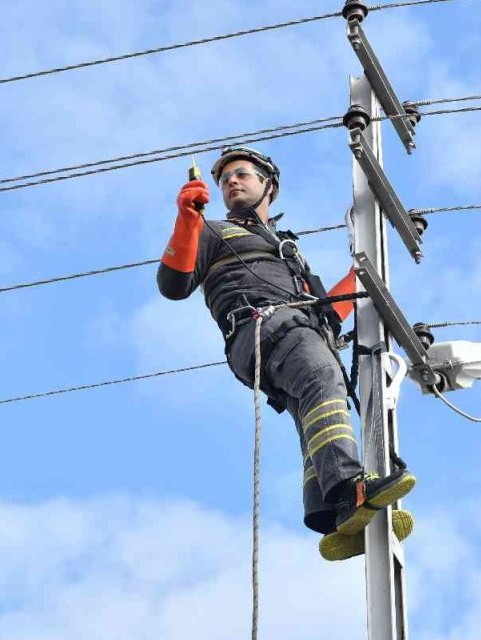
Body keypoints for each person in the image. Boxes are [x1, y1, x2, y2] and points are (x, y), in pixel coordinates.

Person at [156, 146, 415, 561]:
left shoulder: (287, 251)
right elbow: (174, 283)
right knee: (321, 380)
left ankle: (333, 515)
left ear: (269, 187)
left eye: (242, 175)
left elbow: (328, 313)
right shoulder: (212, 231)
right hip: (262, 327)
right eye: (225, 180)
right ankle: (350, 488)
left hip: (294, 329)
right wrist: (188, 218)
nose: (231, 183)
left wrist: (368, 269)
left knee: (313, 408)